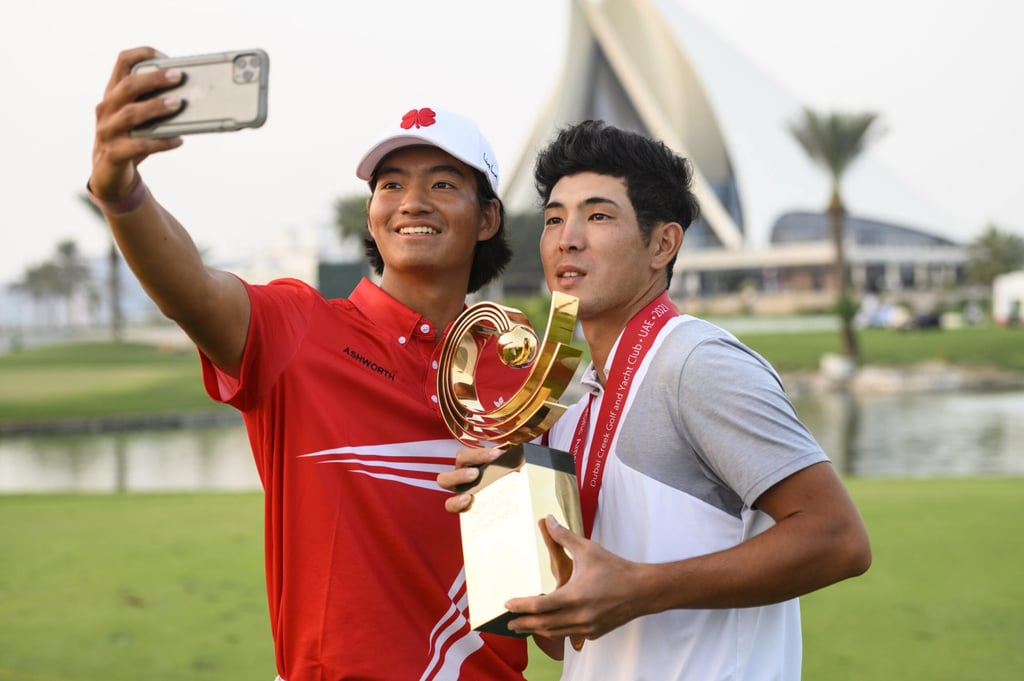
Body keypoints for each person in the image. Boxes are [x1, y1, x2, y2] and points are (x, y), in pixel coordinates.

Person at [88, 46, 530, 680]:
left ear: (487, 217)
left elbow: (548, 597)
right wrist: (121, 194)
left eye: (442, 183)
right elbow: (190, 285)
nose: (412, 201)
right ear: (373, 218)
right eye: (391, 185)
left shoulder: (520, 376)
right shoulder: (297, 330)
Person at [439, 120, 872, 680]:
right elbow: (566, 638)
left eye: (598, 215)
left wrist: (642, 588)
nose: (567, 237)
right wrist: (502, 516)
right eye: (553, 218)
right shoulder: (573, 419)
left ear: (663, 243)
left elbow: (838, 538)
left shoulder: (695, 363)